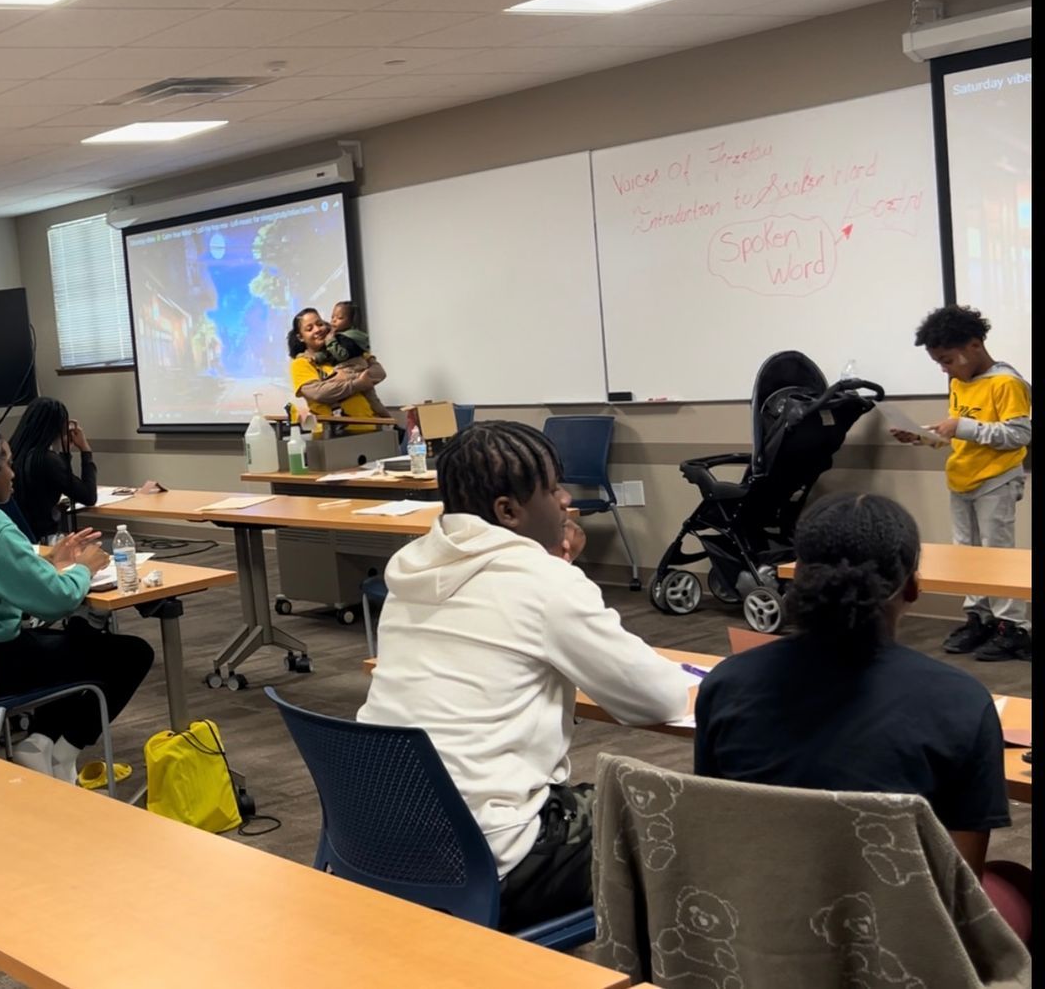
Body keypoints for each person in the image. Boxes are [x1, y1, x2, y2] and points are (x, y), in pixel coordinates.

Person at [357, 420, 687, 931]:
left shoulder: (411, 568)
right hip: (490, 858)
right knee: (681, 821)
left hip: (379, 842)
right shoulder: (544, 583)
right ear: (508, 512)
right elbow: (658, 699)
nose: (566, 501)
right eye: (553, 488)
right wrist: (562, 573)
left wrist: (553, 566)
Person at [693, 493, 1028, 937]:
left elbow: (717, 820)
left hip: (756, 927)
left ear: (800, 579)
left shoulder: (725, 685)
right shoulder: (961, 703)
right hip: (895, 942)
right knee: (1018, 882)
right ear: (912, 586)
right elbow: (956, 886)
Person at [0, 426, 155, 782]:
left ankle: (41, 743)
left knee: (76, 641)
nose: (12, 472)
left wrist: (51, 562)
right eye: (5, 462)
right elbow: (55, 601)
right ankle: (58, 751)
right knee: (129, 654)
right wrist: (83, 569)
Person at [894, 305, 1032, 662]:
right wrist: (924, 437)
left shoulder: (1006, 383)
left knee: (996, 555)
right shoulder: (959, 382)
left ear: (974, 345)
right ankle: (979, 618)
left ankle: (1012, 628)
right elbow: (961, 434)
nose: (944, 368)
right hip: (962, 477)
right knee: (965, 554)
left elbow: (1019, 434)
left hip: (996, 480)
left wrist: (961, 427)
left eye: (947, 359)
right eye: (938, 362)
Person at [8, 397, 99, 540]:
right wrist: (85, 450)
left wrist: (64, 452)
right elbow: (88, 496)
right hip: (44, 538)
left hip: (17, 536)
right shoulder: (46, 459)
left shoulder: (11, 452)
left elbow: (60, 480)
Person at [288, 307, 388, 433]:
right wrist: (358, 384)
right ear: (301, 337)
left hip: (373, 427)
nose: (318, 330)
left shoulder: (345, 349)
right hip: (334, 435)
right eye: (309, 328)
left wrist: (343, 378)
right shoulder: (301, 363)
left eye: (320, 324)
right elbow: (320, 393)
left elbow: (379, 372)